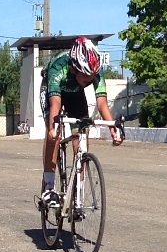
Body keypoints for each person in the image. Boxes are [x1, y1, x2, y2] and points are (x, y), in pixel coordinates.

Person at [39, 37, 122, 207]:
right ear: (75, 68)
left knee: (82, 132)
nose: (90, 81)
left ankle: (78, 188)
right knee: (54, 132)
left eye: (92, 78)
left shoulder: (94, 70)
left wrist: (112, 126)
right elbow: (55, 104)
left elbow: (102, 103)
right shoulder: (59, 67)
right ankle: (49, 186)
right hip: (53, 91)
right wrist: (52, 127)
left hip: (74, 93)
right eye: (86, 79)